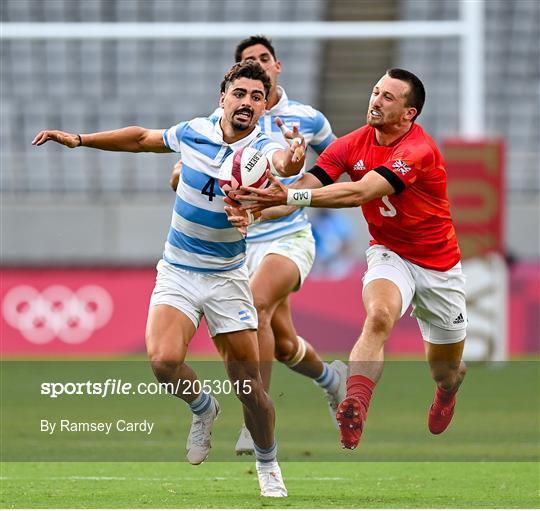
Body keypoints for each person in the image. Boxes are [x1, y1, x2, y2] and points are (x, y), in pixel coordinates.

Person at [32, 61, 307, 497]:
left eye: (257, 97)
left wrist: (293, 157)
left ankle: (268, 463)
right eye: (240, 94)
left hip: (225, 276)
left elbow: (285, 164)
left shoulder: (262, 149)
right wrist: (80, 140)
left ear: (264, 105)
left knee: (251, 389)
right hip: (178, 270)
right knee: (162, 362)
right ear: (223, 97)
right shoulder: (194, 131)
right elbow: (142, 139)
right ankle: (203, 408)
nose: (247, 103)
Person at [229, 68, 468, 451]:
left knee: (446, 372)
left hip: (439, 267)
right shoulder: (352, 143)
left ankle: (446, 393)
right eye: (376, 92)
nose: (376, 100)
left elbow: (359, 193)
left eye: (389, 97)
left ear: (410, 113)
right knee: (378, 316)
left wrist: (289, 198)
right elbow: (307, 186)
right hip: (391, 254)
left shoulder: (418, 150)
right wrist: (258, 208)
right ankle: (354, 404)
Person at [171, 35, 347, 455]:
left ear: (277, 66)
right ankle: (331, 379)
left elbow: (338, 161)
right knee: (283, 345)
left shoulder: (306, 118)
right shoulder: (224, 117)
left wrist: (303, 187)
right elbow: (185, 174)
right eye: (249, 62)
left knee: (257, 303)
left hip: (288, 236)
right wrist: (181, 179)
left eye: (264, 60)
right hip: (237, 242)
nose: (259, 66)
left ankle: (255, 419)